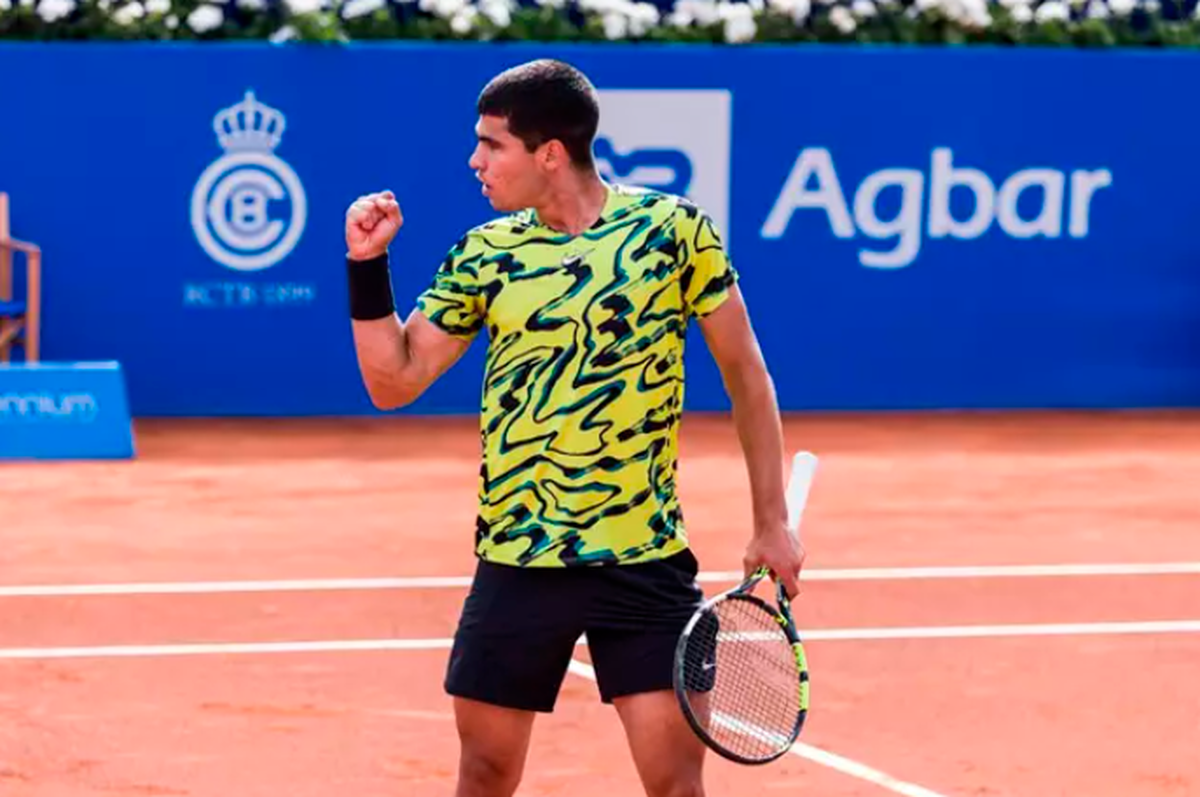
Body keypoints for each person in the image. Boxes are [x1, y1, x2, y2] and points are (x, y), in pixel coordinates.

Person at [343, 58, 804, 797]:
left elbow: (747, 375)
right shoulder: (486, 256)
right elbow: (392, 381)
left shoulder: (674, 233)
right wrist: (367, 267)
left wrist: (771, 522)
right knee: (486, 776)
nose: (475, 161)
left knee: (676, 784)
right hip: (519, 560)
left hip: (644, 562)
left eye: (492, 144)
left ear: (549, 151)